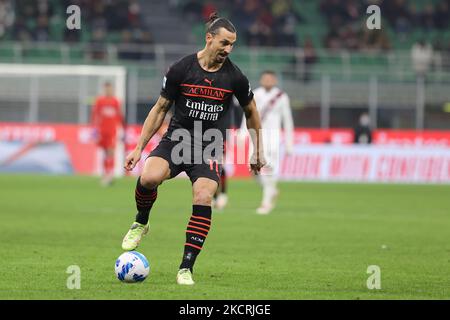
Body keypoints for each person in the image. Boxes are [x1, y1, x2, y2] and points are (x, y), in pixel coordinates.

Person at [121, 12, 266, 285]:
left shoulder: (235, 77)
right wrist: (139, 148)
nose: (228, 49)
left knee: (203, 197)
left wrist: (258, 150)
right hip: (177, 139)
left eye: (232, 44)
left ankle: (186, 267)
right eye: (224, 43)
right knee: (149, 178)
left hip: (209, 145)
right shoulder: (182, 69)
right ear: (209, 38)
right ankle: (141, 221)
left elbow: (251, 111)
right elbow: (160, 108)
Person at [240, 70, 293, 215]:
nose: (268, 81)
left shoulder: (281, 97)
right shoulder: (255, 94)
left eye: (270, 79)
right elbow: (248, 114)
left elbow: (287, 120)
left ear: (275, 80)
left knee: (269, 169)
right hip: (256, 136)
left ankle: (266, 203)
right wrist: (242, 132)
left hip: (273, 138)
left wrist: (289, 142)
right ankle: (271, 190)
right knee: (253, 170)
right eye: (265, 78)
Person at [91, 81, 124, 186]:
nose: (108, 90)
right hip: (102, 131)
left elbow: (119, 116)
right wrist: (95, 130)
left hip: (112, 131)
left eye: (110, 88)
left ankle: (110, 175)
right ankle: (105, 174)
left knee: (111, 151)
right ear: (104, 89)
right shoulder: (100, 101)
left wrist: (122, 129)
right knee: (105, 153)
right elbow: (95, 115)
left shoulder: (115, 101)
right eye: (106, 88)